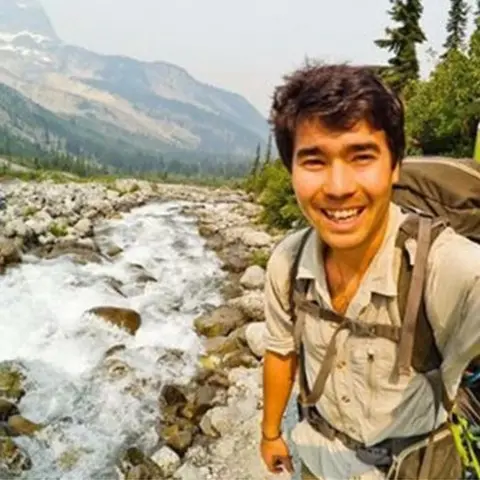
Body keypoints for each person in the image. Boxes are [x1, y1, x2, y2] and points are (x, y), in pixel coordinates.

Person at [260, 62, 480, 480]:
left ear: (395, 166)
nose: (339, 186)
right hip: (321, 462)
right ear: (291, 170)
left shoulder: (445, 266)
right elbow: (280, 351)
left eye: (362, 157)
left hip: (418, 469)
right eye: (314, 161)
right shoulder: (287, 263)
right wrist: (271, 433)